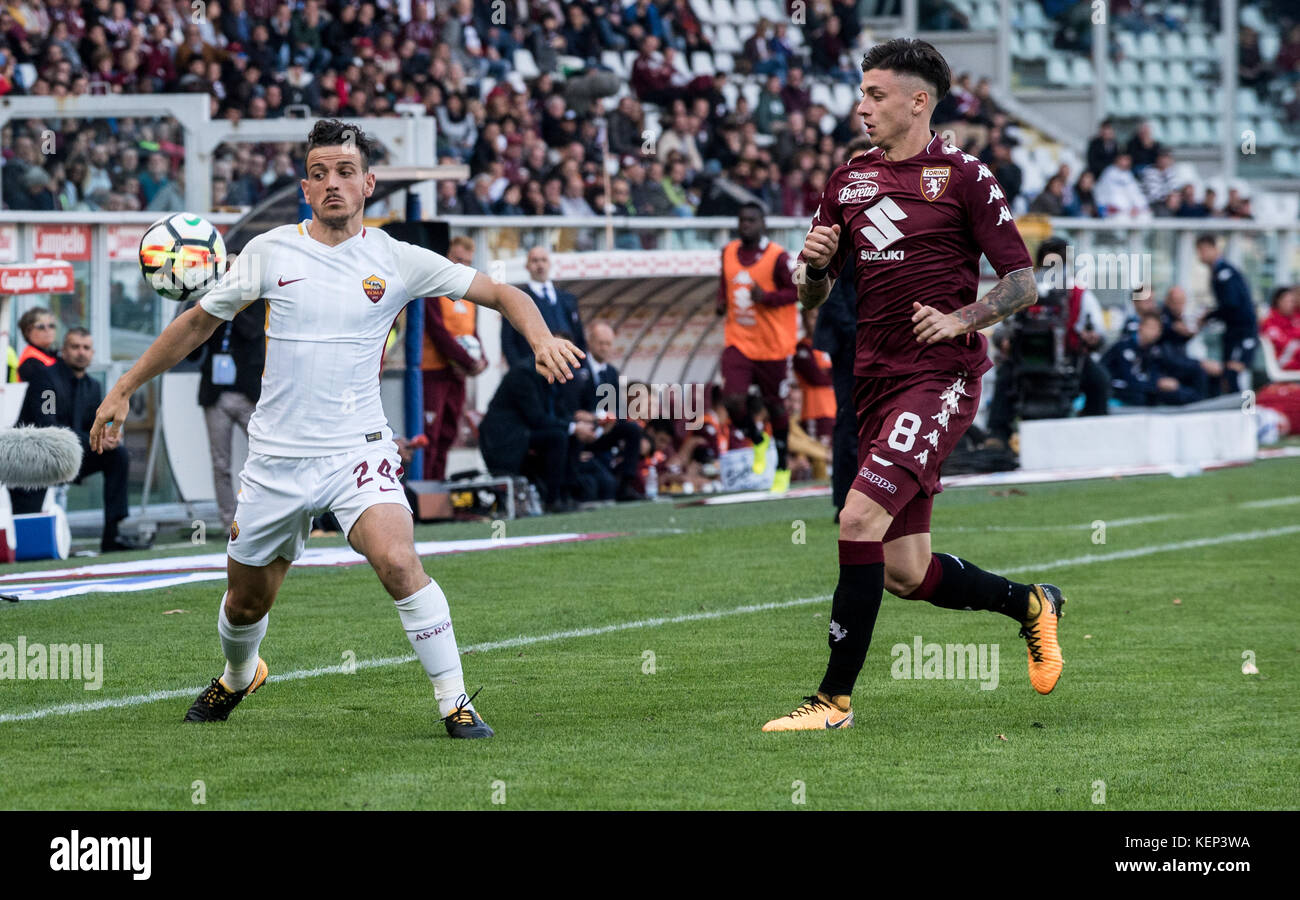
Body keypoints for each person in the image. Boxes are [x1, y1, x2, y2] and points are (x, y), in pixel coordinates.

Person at [89, 119, 582, 737]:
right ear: (305, 186)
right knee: (246, 601)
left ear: (368, 183)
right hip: (275, 459)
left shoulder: (395, 258)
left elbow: (501, 292)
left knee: (399, 562)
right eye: (319, 173)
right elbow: (194, 325)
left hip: (357, 449)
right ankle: (240, 675)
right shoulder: (270, 251)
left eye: (345, 172)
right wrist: (123, 387)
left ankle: (455, 702)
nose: (333, 184)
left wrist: (539, 337)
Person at [764, 39, 1066, 732]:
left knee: (855, 520)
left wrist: (960, 317)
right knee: (904, 571)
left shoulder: (964, 176)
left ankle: (832, 702)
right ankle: (1031, 605)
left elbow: (1022, 281)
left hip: (941, 377)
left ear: (917, 100)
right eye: (861, 93)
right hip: (873, 379)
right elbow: (811, 299)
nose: (861, 106)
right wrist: (812, 269)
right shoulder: (848, 183)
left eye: (875, 94)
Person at [13, 328, 149, 552]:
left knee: (117, 455)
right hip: (38, 459)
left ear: (92, 353)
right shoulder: (45, 379)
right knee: (32, 544)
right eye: (75, 347)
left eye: (86, 348)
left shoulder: (92, 386)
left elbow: (90, 426)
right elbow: (49, 428)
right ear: (63, 351)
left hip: (73, 456)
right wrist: (93, 439)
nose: (81, 353)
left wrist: (108, 436)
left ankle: (112, 536)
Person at [716, 202, 799, 494]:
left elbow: (796, 292)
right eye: (741, 220)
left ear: (763, 223)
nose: (745, 224)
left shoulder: (777, 257)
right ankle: (757, 438)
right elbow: (724, 283)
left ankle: (782, 467)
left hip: (773, 345)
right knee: (731, 399)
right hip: (738, 340)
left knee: (775, 404)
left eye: (751, 220)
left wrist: (767, 297)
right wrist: (720, 302)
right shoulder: (728, 252)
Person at [186, 297, 266, 532]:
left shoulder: (256, 302)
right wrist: (202, 311)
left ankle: (262, 516)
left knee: (264, 457)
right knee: (221, 463)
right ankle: (228, 521)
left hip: (249, 394)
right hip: (216, 394)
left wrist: (226, 305)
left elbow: (252, 332)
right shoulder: (212, 301)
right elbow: (192, 352)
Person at [419, 235, 487, 481]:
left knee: (448, 433)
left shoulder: (467, 295)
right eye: (458, 260)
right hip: (433, 373)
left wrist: (483, 360)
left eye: (468, 262)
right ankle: (423, 491)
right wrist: (469, 362)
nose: (462, 267)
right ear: (446, 257)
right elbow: (439, 333)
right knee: (430, 434)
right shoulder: (433, 289)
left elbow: (471, 333)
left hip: (457, 376)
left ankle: (437, 487)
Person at [500, 245, 587, 369]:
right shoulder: (517, 299)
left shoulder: (568, 299)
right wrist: (520, 371)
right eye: (535, 261)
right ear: (527, 266)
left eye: (543, 260)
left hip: (568, 373)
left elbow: (579, 336)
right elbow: (508, 342)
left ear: (550, 264)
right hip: (534, 373)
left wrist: (581, 368)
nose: (540, 265)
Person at [1195, 234, 1259, 395]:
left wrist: (1208, 316)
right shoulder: (1219, 272)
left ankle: (1245, 412)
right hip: (1234, 332)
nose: (1200, 255)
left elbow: (1231, 303)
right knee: (1227, 377)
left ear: (1215, 249)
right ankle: (1234, 412)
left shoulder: (1225, 273)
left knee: (1233, 374)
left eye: (1203, 250)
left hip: (1243, 332)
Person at [1102, 312, 1206, 405]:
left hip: (1143, 387)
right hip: (1119, 389)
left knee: (1181, 392)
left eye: (1158, 329)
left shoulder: (1153, 350)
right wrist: (1156, 384)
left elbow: (1154, 371)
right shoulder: (1124, 347)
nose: (1155, 332)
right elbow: (1129, 380)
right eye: (1151, 327)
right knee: (1144, 397)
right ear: (1140, 327)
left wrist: (1159, 382)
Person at [1261, 286, 1300, 372]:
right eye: (1288, 301)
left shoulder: (1294, 317)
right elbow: (1286, 345)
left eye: (1293, 301)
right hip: (1285, 365)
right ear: (1278, 301)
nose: (1292, 304)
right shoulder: (1269, 322)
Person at [15, 306, 59, 382]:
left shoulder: (54, 355)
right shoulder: (30, 362)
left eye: (51, 326)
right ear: (28, 332)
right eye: (41, 327)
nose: (47, 330)